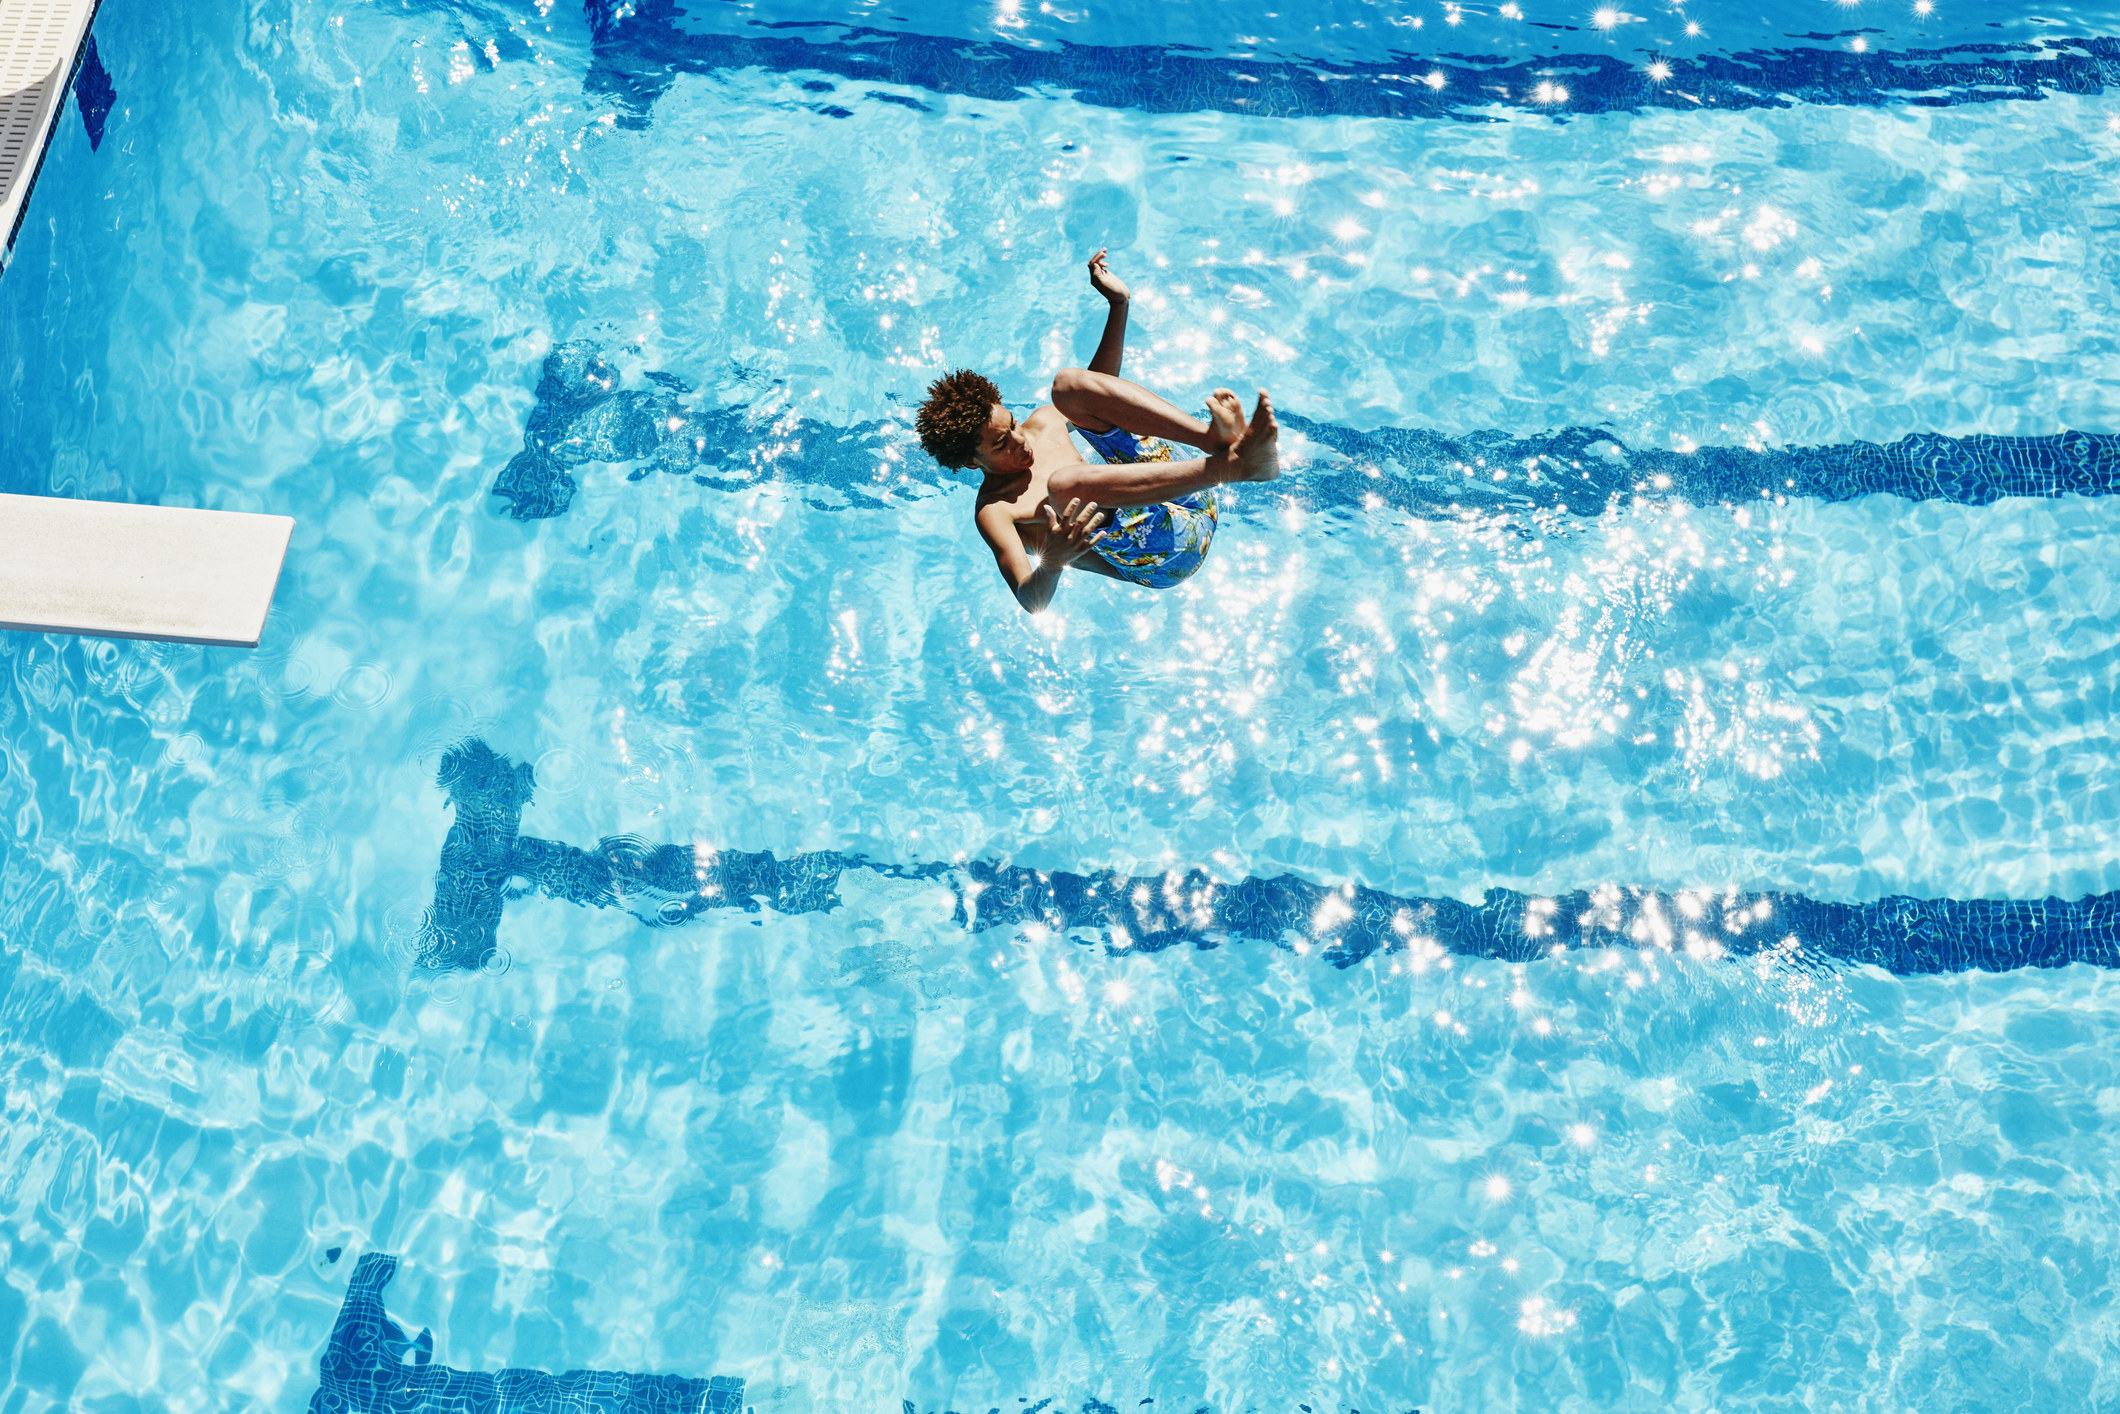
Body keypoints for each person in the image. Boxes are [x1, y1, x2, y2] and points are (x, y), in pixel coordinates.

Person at [914, 250, 1281, 614]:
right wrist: (1053, 561)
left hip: (1191, 493)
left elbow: (1100, 390)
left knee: (1068, 385)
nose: (1020, 439)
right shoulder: (995, 511)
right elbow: (1031, 600)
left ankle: (1213, 442)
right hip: (1171, 556)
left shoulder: (1041, 424)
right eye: (1000, 444)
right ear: (971, 462)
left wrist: (1118, 305)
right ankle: (1238, 467)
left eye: (1011, 423)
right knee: (1063, 487)